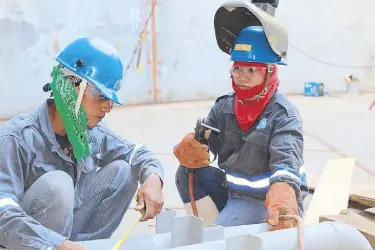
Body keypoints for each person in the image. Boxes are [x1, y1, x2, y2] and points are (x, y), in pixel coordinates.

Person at [0, 37, 164, 250]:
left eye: (110, 101)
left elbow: (136, 153)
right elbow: (2, 211)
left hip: (67, 240)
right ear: (70, 88)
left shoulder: (90, 131)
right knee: (58, 184)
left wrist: (153, 179)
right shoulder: (18, 138)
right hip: (30, 243)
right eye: (100, 98)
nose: (107, 107)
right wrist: (55, 244)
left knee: (125, 171)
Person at [173, 25, 308, 230]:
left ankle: (219, 232)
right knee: (186, 173)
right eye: (237, 69)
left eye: (251, 70)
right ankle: (211, 230)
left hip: (266, 201)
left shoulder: (284, 115)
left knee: (222, 238)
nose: (242, 77)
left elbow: (286, 160)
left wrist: (284, 189)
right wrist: (194, 145)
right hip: (234, 192)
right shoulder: (224, 107)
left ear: (270, 72)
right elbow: (206, 148)